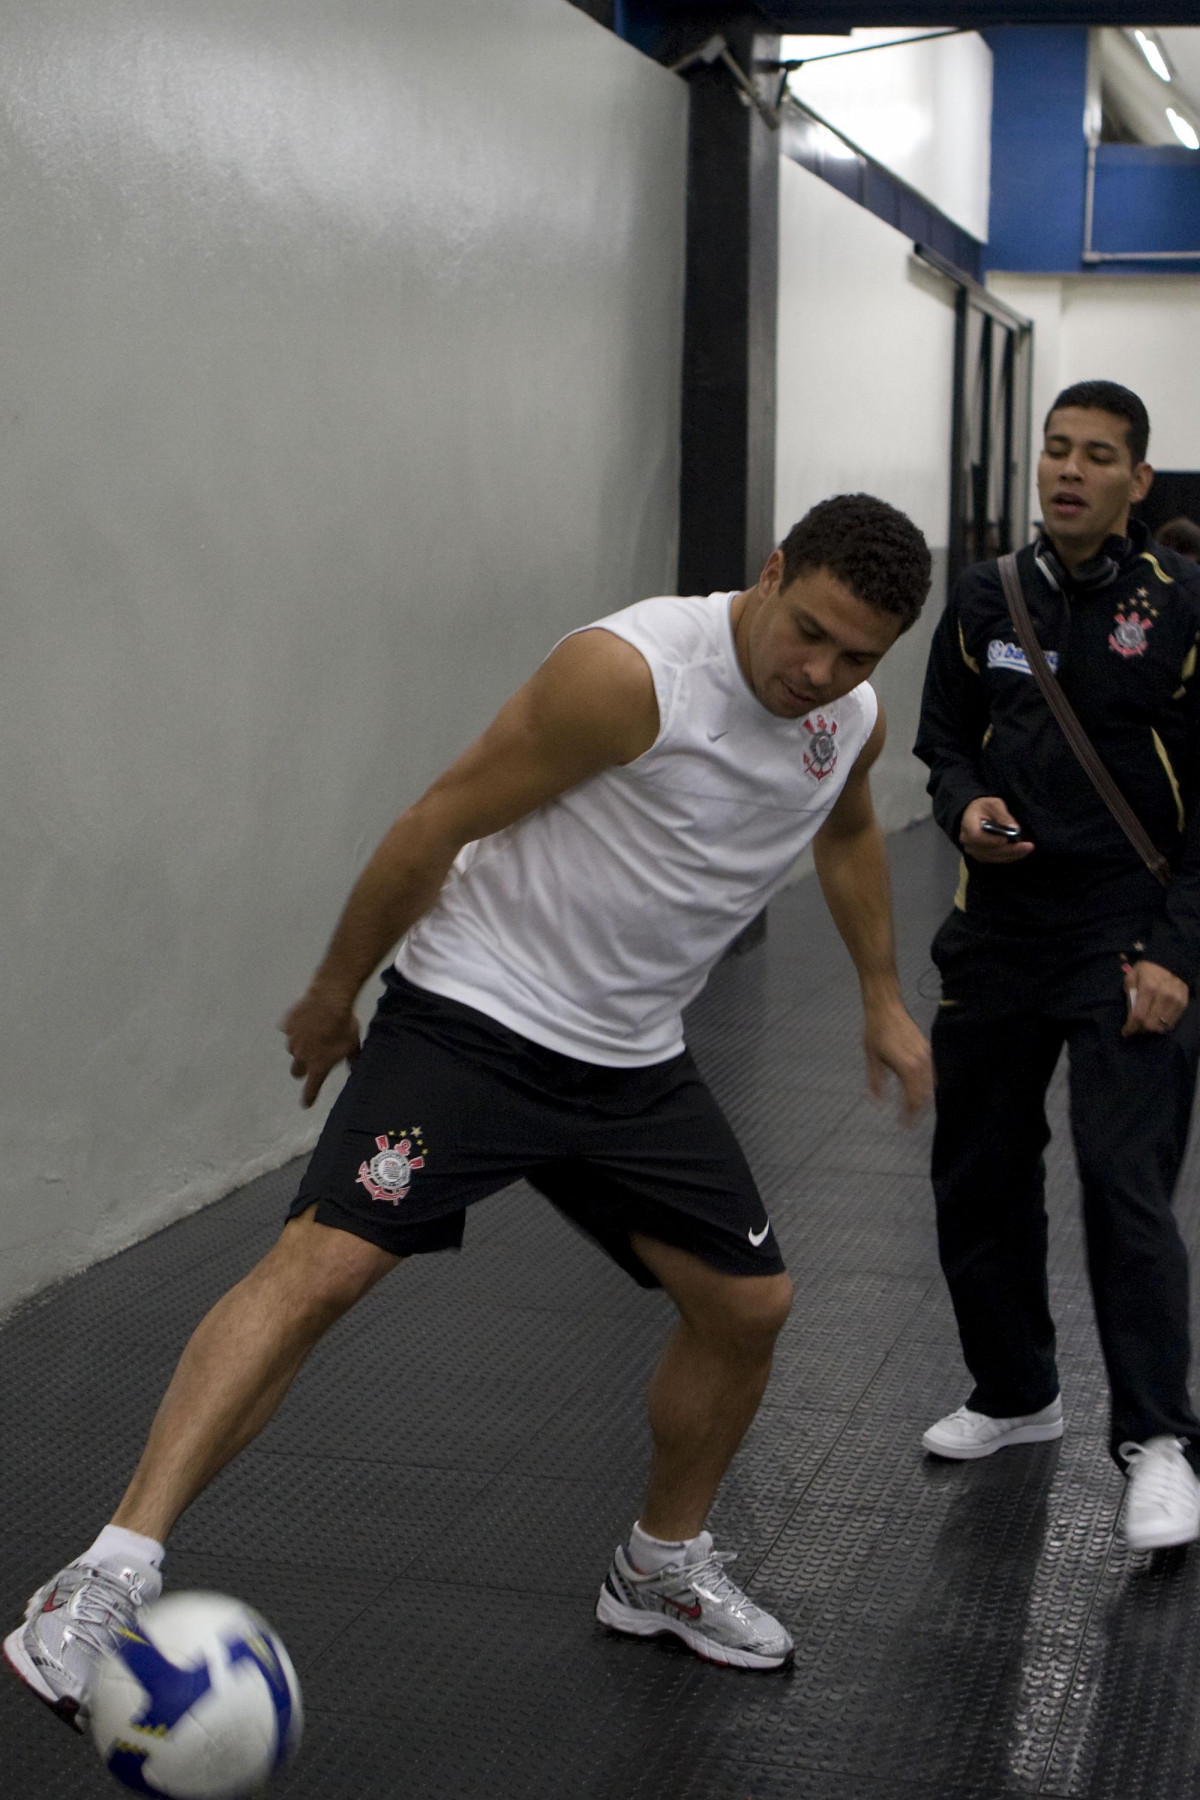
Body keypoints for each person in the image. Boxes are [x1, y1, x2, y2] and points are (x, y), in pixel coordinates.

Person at [6, 493, 934, 1727]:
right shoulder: (631, 673)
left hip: (631, 1062)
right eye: (807, 632)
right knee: (323, 1269)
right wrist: (338, 992)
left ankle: (659, 1570)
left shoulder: (844, 721)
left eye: (855, 657)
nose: (816, 672)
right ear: (769, 573)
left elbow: (852, 829)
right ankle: (103, 1573)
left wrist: (882, 994)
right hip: (477, 1019)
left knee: (749, 1305)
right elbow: (437, 820)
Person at [915, 379, 1200, 1550]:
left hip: (1128, 931)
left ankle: (1159, 1441)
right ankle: (1017, 1392)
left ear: (1140, 480)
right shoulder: (988, 592)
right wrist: (965, 803)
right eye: (1054, 451)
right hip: (1000, 930)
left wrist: (1178, 949)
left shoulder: (1182, 604)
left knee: (1122, 1179)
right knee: (978, 1171)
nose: (1068, 471)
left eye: (1097, 456)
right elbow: (942, 738)